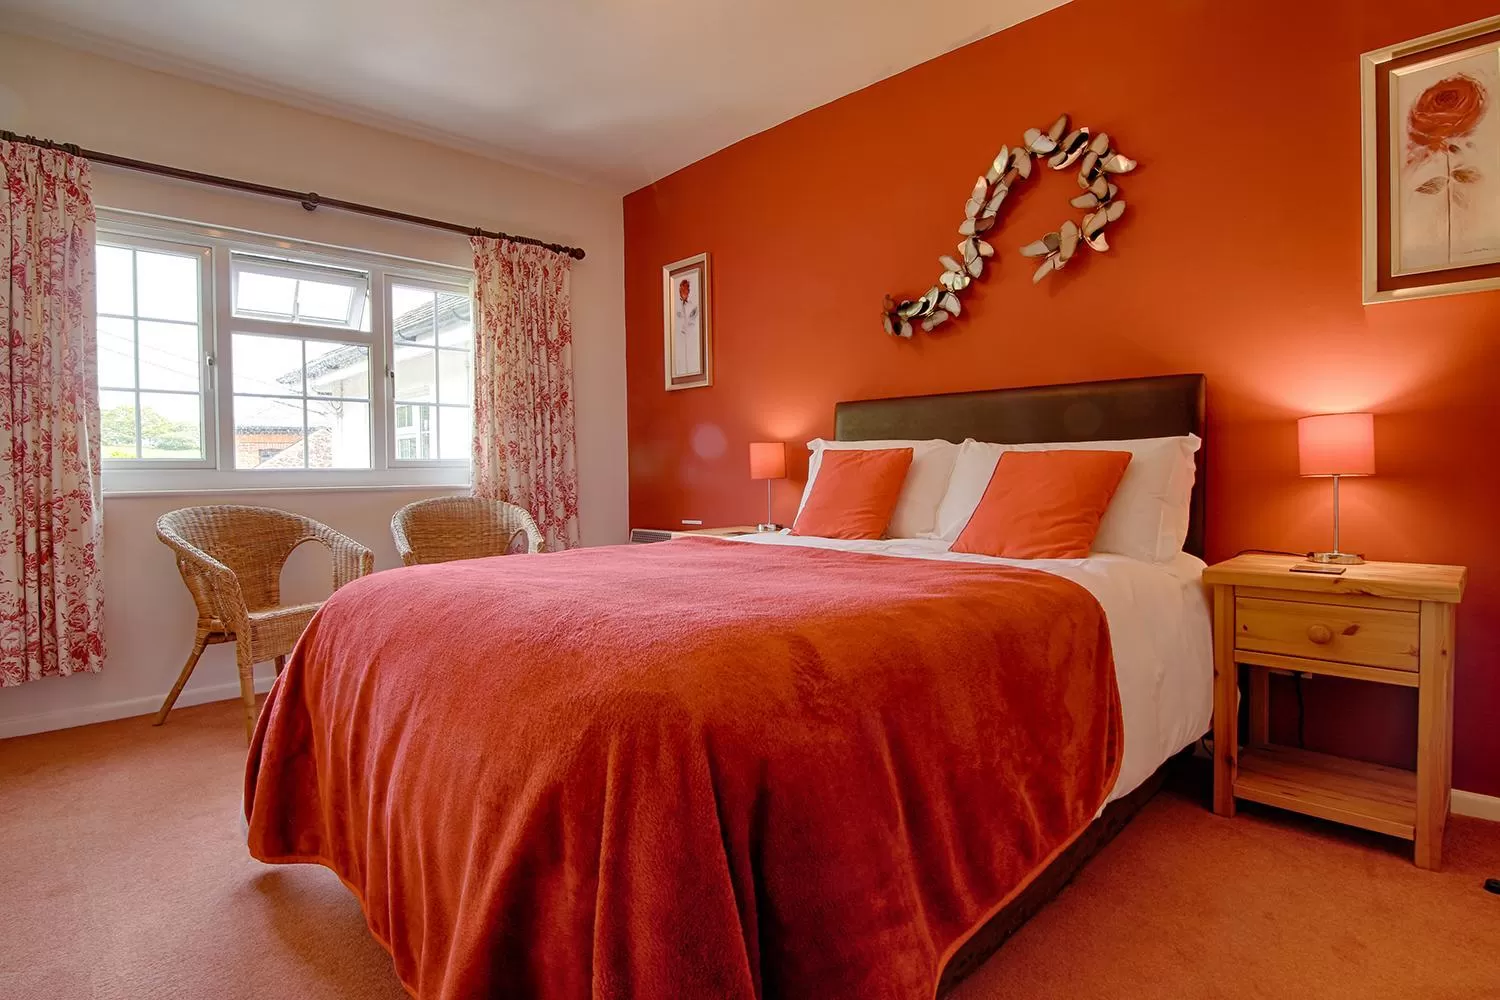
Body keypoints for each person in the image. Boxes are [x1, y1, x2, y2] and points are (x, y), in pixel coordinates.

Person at [671, 275, 701, 378]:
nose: (685, 292)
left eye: (686, 289)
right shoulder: (674, 307)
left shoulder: (693, 306)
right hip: (680, 341)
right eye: (682, 289)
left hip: (690, 339)